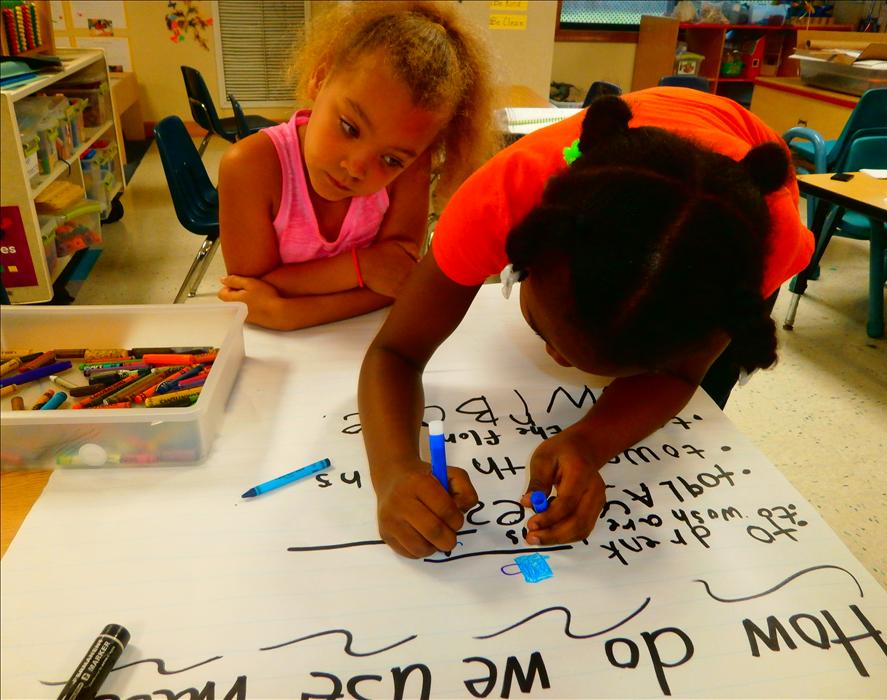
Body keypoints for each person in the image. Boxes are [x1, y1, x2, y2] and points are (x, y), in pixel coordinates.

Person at [357, 87, 815, 559]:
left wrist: (591, 441)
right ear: (524, 254)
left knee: (697, 418)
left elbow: (681, 374)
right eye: (544, 335)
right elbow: (396, 351)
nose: (560, 362)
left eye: (625, 366)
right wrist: (393, 468)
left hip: (749, 193)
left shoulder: (753, 255)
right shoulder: (503, 196)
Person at [216, 1, 498, 330]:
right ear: (320, 78)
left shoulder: (412, 166)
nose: (355, 168)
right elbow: (247, 292)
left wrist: (288, 312)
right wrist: (361, 268)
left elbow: (399, 280)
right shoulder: (249, 167)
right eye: (350, 127)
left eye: (391, 159)